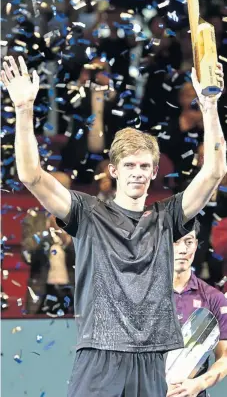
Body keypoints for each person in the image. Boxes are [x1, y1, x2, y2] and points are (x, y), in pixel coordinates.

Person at [1, 55, 226, 397]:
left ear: (154, 172)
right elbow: (31, 175)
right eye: (130, 164)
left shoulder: (168, 217)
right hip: (99, 354)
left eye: (144, 165)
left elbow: (213, 172)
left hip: (153, 358)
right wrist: (24, 108)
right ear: (115, 171)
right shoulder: (86, 212)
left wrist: (209, 105)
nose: (137, 171)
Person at [167, 228, 227, 397]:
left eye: (189, 242)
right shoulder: (141, 294)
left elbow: (225, 357)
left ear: (196, 246)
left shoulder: (213, 298)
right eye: (175, 242)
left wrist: (199, 383)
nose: (183, 249)